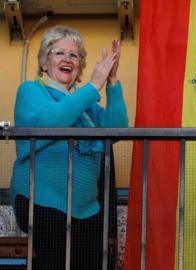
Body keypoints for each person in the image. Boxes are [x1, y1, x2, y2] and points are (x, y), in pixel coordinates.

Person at [9, 25, 128, 269]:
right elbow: (51, 122)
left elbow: (117, 128)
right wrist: (93, 87)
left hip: (87, 209)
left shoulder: (85, 103)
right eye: (58, 53)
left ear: (80, 67)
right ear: (44, 62)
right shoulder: (31, 90)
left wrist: (112, 81)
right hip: (42, 203)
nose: (67, 59)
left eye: (74, 55)